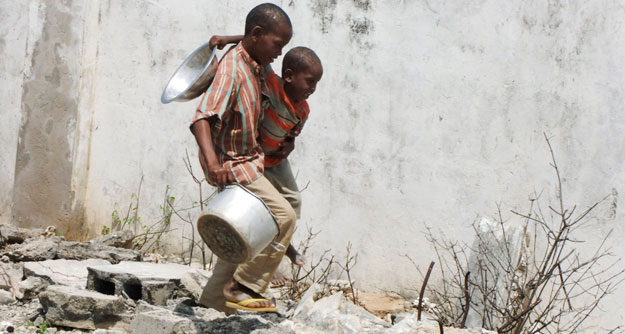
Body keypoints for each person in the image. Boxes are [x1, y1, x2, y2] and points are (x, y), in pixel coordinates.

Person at [190, 3, 292, 313]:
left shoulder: (256, 59)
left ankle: (211, 304)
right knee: (283, 217)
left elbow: (250, 37)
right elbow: (202, 118)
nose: (279, 52)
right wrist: (212, 163)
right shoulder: (233, 68)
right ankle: (244, 286)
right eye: (278, 45)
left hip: (251, 159)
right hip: (234, 164)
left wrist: (226, 37)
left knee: (246, 233)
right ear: (259, 36)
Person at [209, 35, 324, 286]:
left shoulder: (303, 109)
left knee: (292, 202)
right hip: (256, 161)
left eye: (317, 84)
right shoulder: (272, 84)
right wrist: (227, 39)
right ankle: (265, 264)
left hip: (276, 161)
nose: (313, 89)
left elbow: (293, 134)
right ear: (290, 75)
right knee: (267, 211)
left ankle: (282, 246)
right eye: (310, 82)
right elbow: (257, 41)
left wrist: (290, 144)